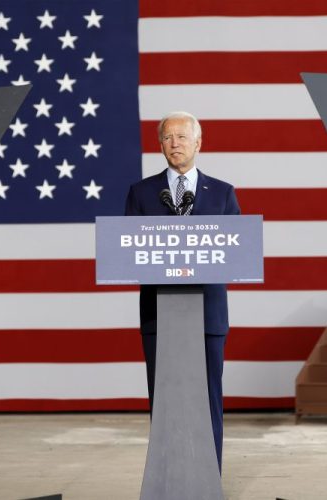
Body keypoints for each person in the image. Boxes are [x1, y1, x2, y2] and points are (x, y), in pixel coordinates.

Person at [124, 111, 240, 469]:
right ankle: (167, 476)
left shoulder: (222, 193)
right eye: (167, 137)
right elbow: (127, 253)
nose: (174, 143)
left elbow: (236, 252)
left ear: (198, 143)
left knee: (208, 400)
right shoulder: (141, 192)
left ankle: (209, 478)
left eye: (182, 137)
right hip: (160, 314)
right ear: (159, 144)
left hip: (207, 315)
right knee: (164, 401)